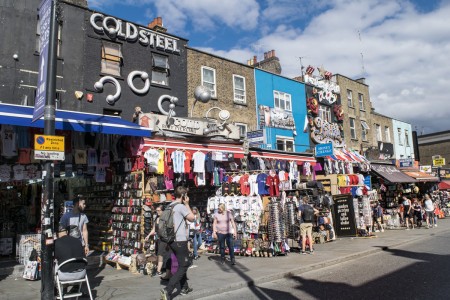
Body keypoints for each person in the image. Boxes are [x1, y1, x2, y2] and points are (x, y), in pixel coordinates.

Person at [160, 186, 195, 300]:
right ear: (184, 196)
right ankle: (168, 290)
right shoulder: (180, 206)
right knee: (184, 265)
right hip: (180, 240)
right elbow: (192, 218)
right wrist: (187, 204)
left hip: (171, 241)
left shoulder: (169, 206)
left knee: (181, 263)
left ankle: (184, 287)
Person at [145, 205, 169, 277]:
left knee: (160, 254)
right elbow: (154, 229)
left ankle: (159, 270)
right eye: (157, 211)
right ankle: (163, 268)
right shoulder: (157, 218)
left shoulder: (165, 219)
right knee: (158, 253)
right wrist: (148, 235)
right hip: (158, 239)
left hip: (164, 239)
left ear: (163, 211)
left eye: (159, 210)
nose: (157, 212)